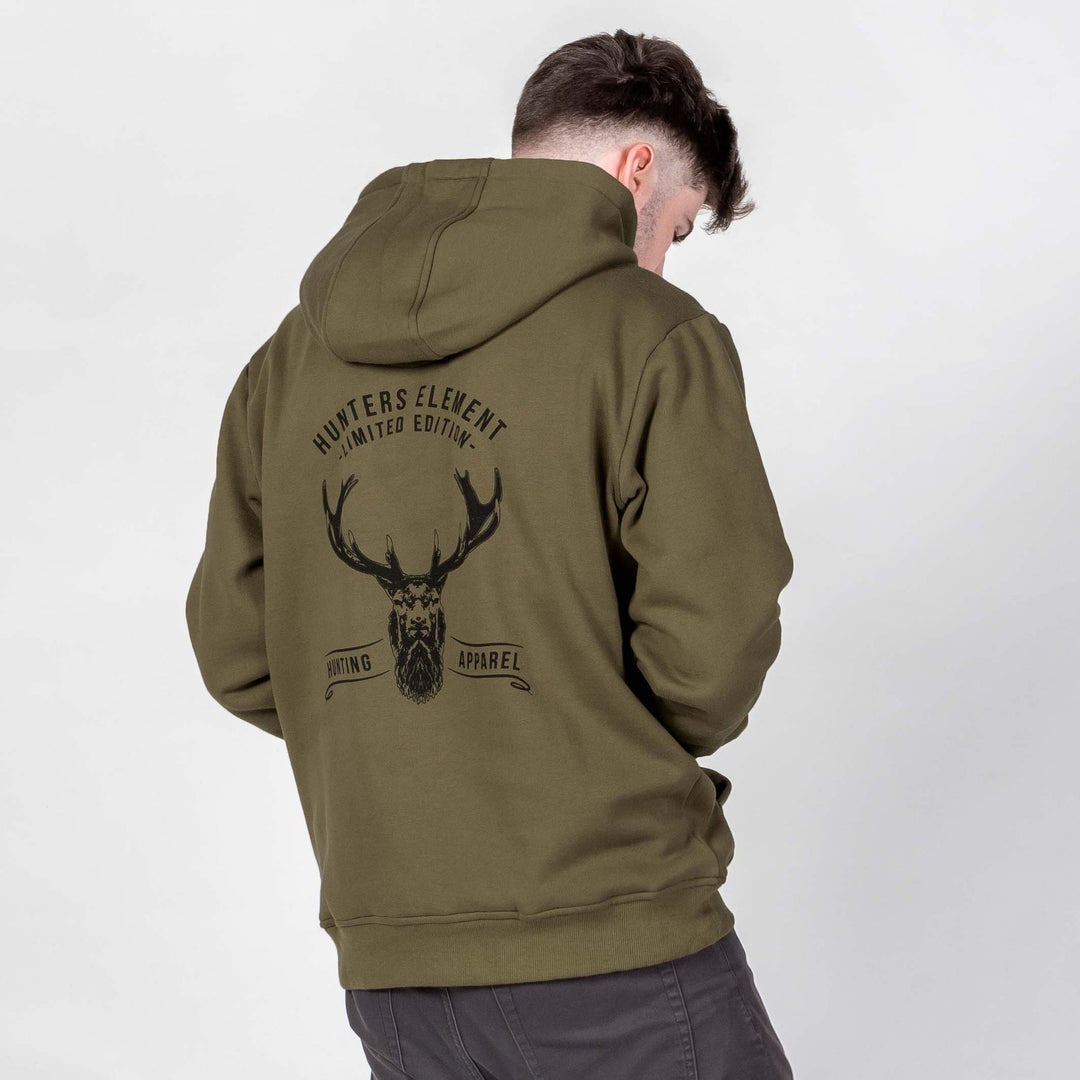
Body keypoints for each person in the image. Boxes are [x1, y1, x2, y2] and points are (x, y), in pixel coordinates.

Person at [185, 26, 796, 1080]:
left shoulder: (284, 363)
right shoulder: (653, 334)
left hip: (395, 972)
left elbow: (238, 652)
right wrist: (576, 731)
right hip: (617, 940)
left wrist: (406, 731)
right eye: (677, 228)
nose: (661, 258)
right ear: (636, 169)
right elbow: (714, 649)